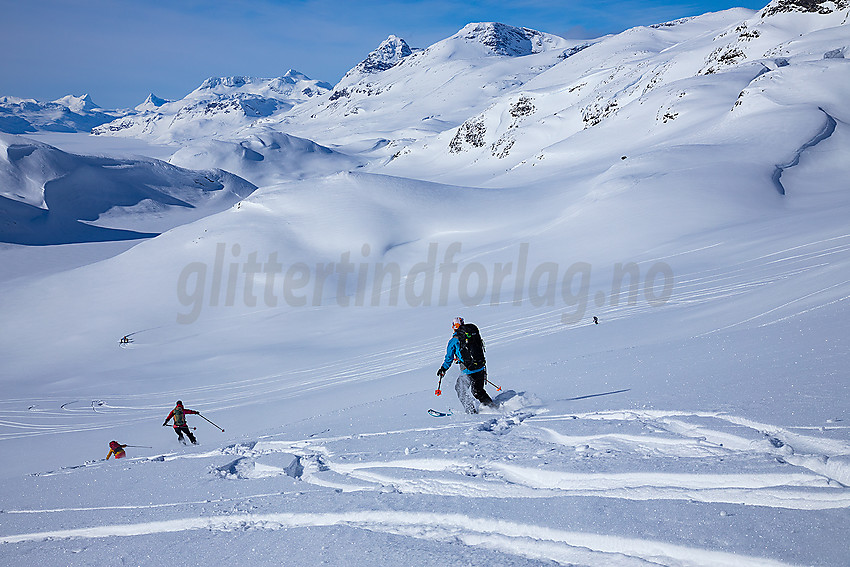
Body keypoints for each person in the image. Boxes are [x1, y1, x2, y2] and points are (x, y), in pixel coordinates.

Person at [437, 317, 493, 414]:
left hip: (468, 371)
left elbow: (449, 358)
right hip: (480, 367)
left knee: (460, 390)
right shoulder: (472, 334)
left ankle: (471, 412)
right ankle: (493, 407)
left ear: (454, 327)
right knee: (478, 391)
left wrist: (443, 369)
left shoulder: (454, 341)